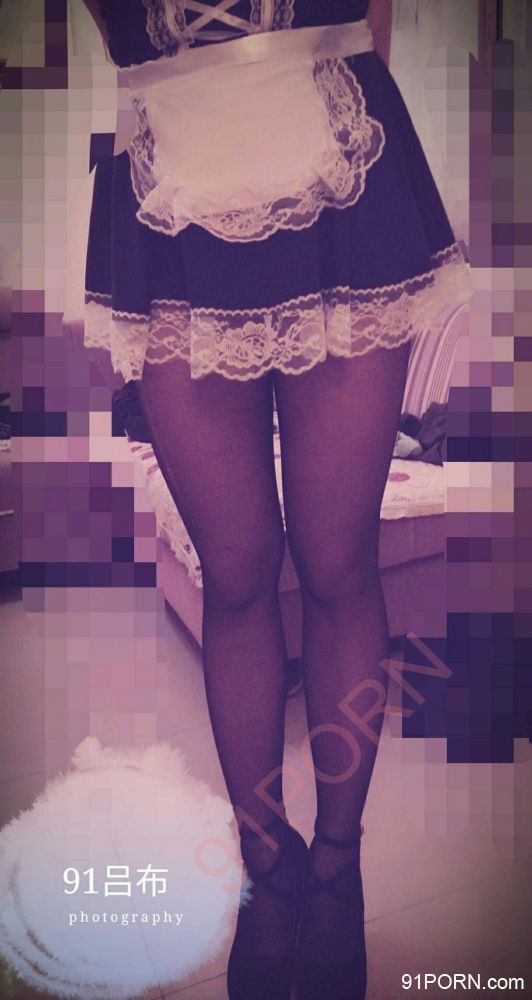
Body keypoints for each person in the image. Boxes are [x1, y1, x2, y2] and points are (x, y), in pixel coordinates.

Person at [80, 3, 473, 998]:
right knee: (237, 574)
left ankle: (335, 871)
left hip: (344, 173)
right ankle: (265, 862)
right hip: (165, 192)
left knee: (338, 566)